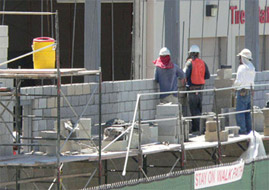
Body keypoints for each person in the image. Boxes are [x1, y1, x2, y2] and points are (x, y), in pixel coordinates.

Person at [184, 45, 210, 133]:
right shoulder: (203, 63)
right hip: (200, 90)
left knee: (193, 110)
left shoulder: (189, 63)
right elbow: (207, 76)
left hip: (192, 89)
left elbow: (185, 74)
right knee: (199, 109)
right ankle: (199, 127)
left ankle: (197, 129)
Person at [234, 48, 256, 134]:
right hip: (249, 91)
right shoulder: (252, 67)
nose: (239, 59)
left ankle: (242, 131)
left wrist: (233, 86)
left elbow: (238, 81)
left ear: (242, 58)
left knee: (240, 112)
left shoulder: (242, 67)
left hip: (242, 92)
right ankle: (249, 130)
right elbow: (252, 81)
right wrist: (253, 90)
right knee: (247, 112)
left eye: (240, 57)